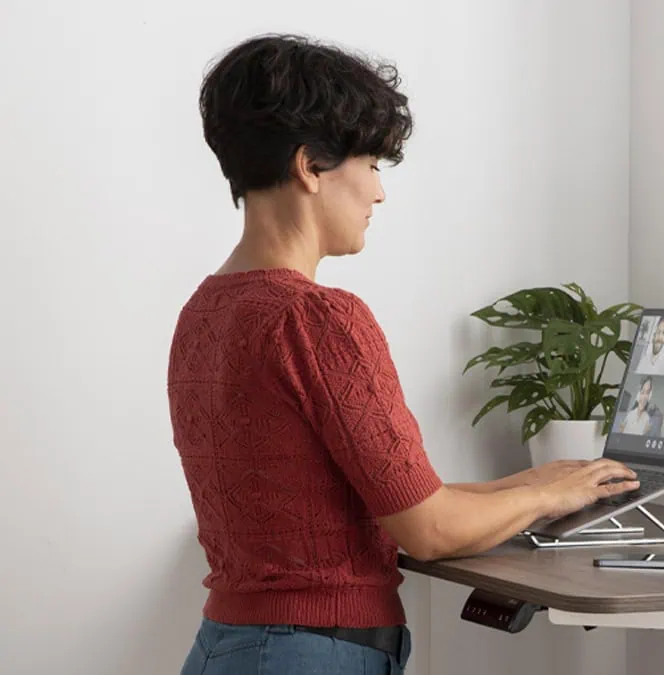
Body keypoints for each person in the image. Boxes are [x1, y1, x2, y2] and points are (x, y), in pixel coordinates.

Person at [167, 34, 639, 675]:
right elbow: (429, 531)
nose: (379, 193)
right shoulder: (317, 318)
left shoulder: (205, 312)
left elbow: (366, 502)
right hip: (310, 655)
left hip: (227, 649)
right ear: (309, 167)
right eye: (371, 165)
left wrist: (531, 482)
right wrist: (546, 502)